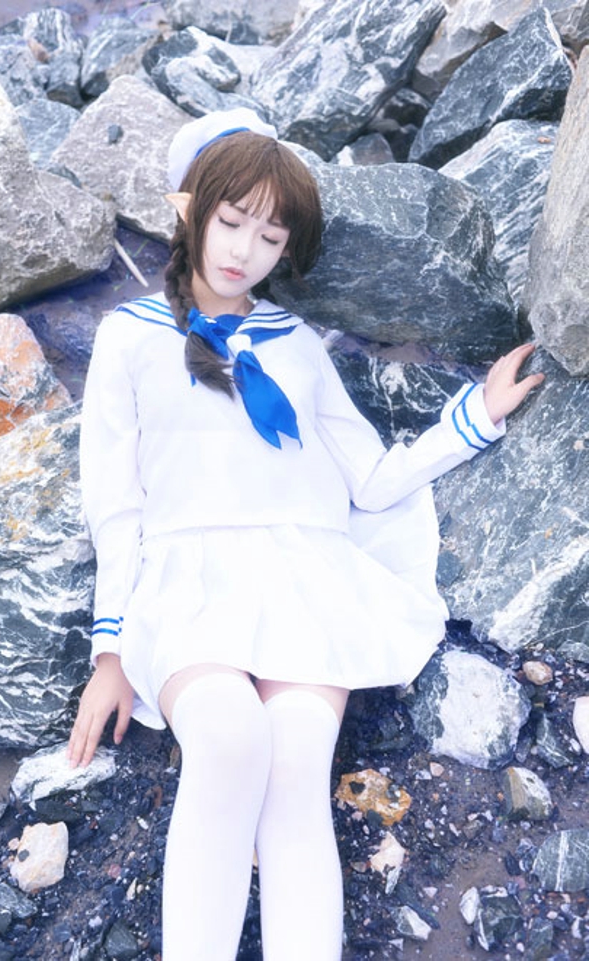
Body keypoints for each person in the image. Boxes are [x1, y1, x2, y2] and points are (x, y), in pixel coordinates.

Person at [67, 108, 544, 961]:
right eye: (231, 221)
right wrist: (110, 651)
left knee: (294, 766)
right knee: (227, 738)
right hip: (186, 581)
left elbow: (371, 478)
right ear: (188, 209)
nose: (245, 250)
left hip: (303, 576)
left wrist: (475, 415)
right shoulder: (128, 338)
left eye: (270, 236)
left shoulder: (294, 343)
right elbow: (116, 505)